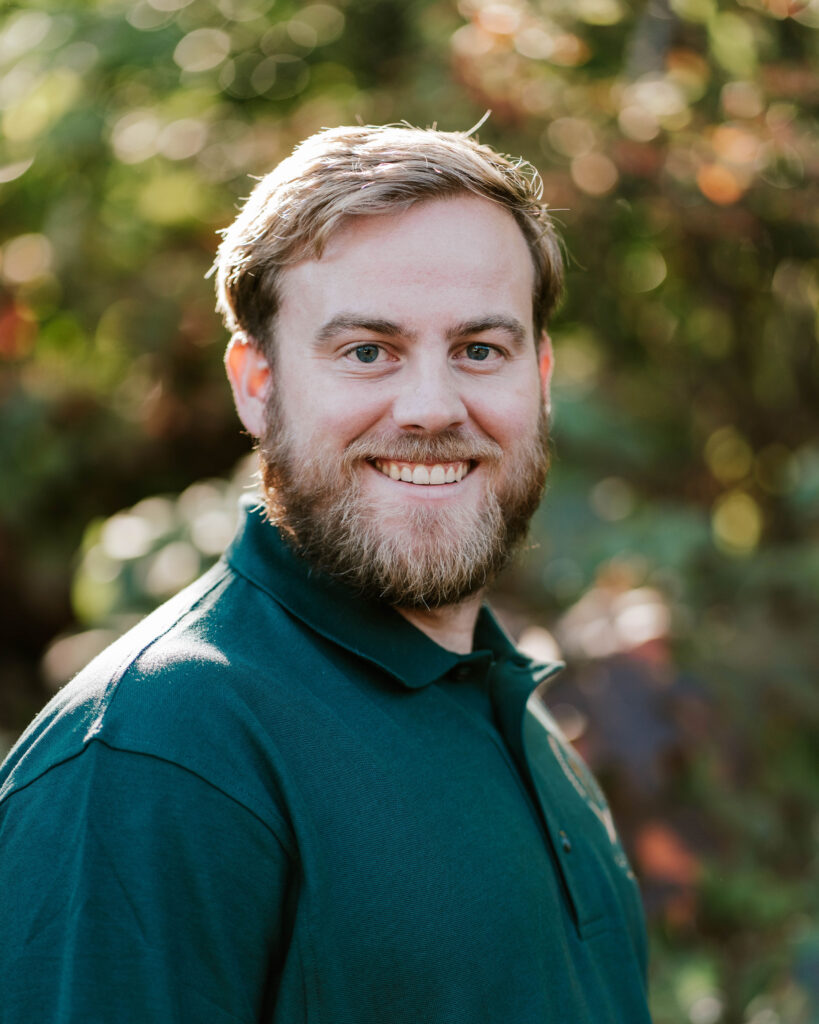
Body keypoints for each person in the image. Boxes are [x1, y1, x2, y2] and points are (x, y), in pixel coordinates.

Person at [0, 124, 652, 1023]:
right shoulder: (157, 756)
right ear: (256, 382)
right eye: (366, 351)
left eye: (478, 350)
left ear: (537, 376)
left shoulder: (515, 722)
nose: (430, 407)